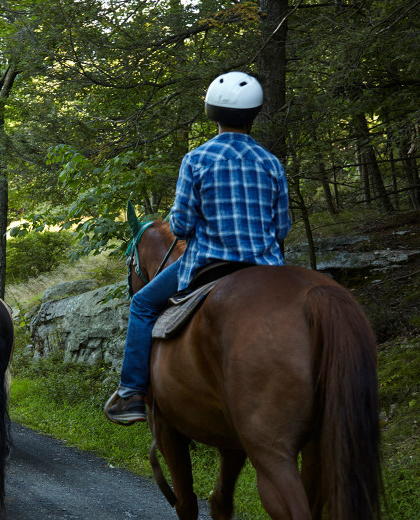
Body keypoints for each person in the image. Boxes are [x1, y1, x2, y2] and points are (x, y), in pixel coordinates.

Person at [105, 71, 292, 424]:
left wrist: (181, 218)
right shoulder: (271, 162)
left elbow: (181, 226)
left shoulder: (197, 159)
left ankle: (131, 393)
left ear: (212, 112)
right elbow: (283, 226)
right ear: (254, 114)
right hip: (266, 269)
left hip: (207, 264)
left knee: (143, 304)